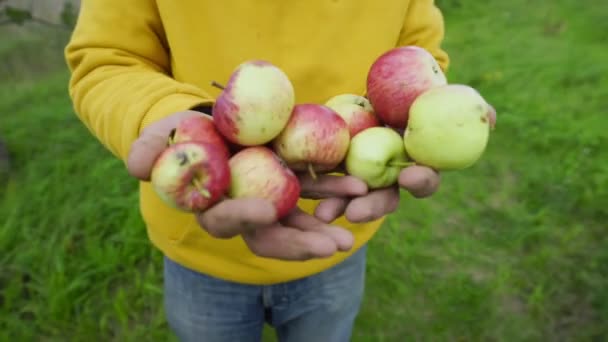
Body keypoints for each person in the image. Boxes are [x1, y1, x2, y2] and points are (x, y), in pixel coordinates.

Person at [65, 1, 449, 341]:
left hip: (339, 226)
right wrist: (189, 130)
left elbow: (420, 52)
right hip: (199, 247)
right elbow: (107, 57)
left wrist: (426, 117)